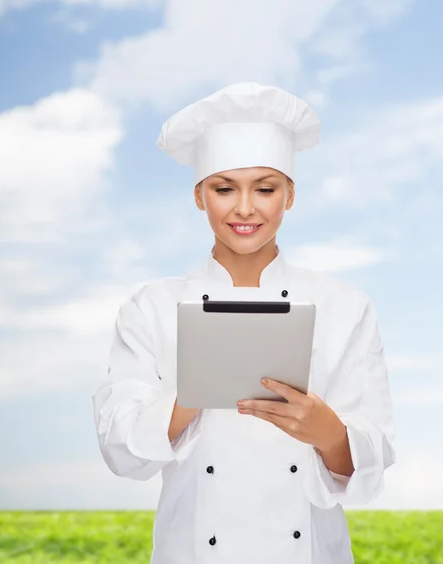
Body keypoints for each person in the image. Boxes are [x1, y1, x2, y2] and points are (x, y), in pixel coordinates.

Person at [92, 82, 396, 564]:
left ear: (290, 195)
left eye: (266, 189)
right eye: (224, 188)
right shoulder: (151, 307)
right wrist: (190, 399)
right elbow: (120, 451)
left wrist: (328, 434)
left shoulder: (345, 306)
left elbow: (372, 464)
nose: (245, 208)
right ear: (199, 196)